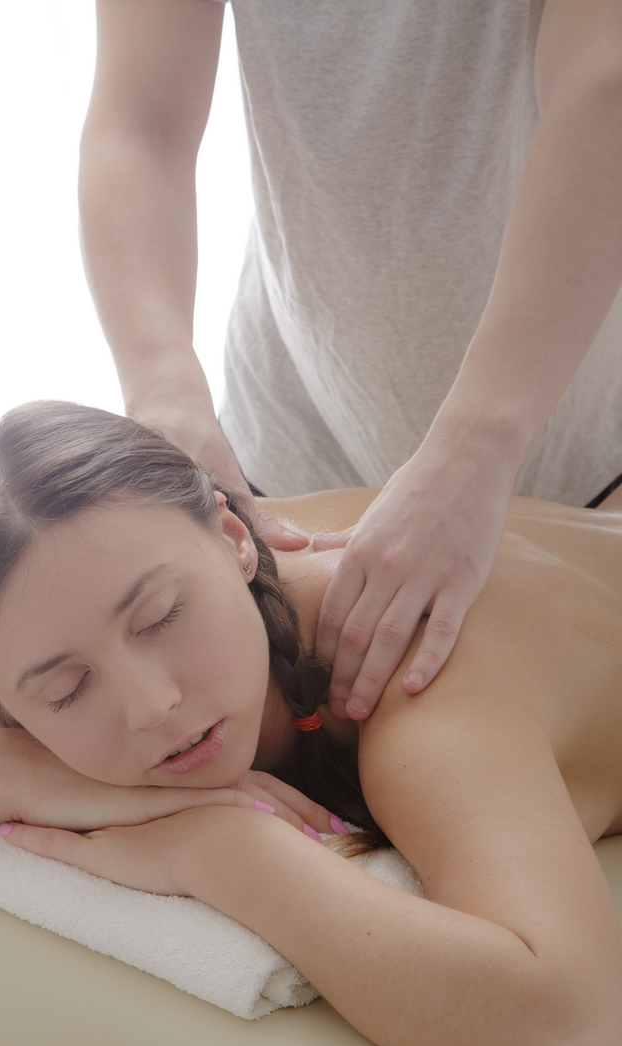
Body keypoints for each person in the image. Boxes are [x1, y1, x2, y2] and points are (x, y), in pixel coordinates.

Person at [0, 400, 622, 1046]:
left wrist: (228, 853)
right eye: (67, 693)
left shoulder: (410, 673)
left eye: (162, 618)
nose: (152, 706)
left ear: (236, 536)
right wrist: (7, 770)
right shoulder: (48, 607)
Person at [78, 0, 622, 722]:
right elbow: (139, 123)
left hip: (574, 444)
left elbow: (603, 85)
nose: (154, 709)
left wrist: (480, 443)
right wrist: (164, 398)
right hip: (285, 441)